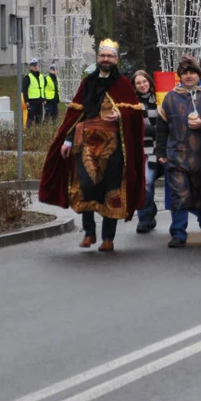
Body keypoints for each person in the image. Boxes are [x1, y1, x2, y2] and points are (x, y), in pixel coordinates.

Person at [39, 39, 146, 252]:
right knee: (85, 187)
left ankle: (108, 238)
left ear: (116, 60)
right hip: (85, 144)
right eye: (102, 56)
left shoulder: (123, 84)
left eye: (110, 56)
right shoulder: (88, 83)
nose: (105, 60)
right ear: (97, 58)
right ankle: (89, 232)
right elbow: (76, 114)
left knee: (111, 190)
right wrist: (67, 140)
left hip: (113, 149)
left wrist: (121, 115)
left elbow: (135, 115)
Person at [155, 55, 201, 248]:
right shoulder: (170, 98)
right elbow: (161, 128)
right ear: (180, 76)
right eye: (185, 73)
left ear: (198, 75)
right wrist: (160, 151)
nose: (188, 76)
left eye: (192, 72)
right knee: (180, 195)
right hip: (178, 155)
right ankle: (178, 233)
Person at [133, 70, 161, 234]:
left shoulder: (159, 98)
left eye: (144, 81)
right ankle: (145, 217)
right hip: (140, 150)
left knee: (147, 183)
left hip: (160, 148)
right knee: (144, 183)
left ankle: (147, 215)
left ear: (149, 82)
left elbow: (165, 125)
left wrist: (146, 129)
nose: (142, 85)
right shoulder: (132, 102)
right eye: (138, 83)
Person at [23, 58, 46, 127]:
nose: (35, 67)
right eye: (33, 65)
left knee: (39, 119)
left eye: (36, 65)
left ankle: (37, 133)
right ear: (30, 67)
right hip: (31, 101)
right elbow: (24, 90)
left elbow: (43, 88)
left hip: (39, 101)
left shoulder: (41, 76)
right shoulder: (27, 77)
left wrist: (44, 98)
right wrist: (26, 100)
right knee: (30, 118)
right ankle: (29, 133)